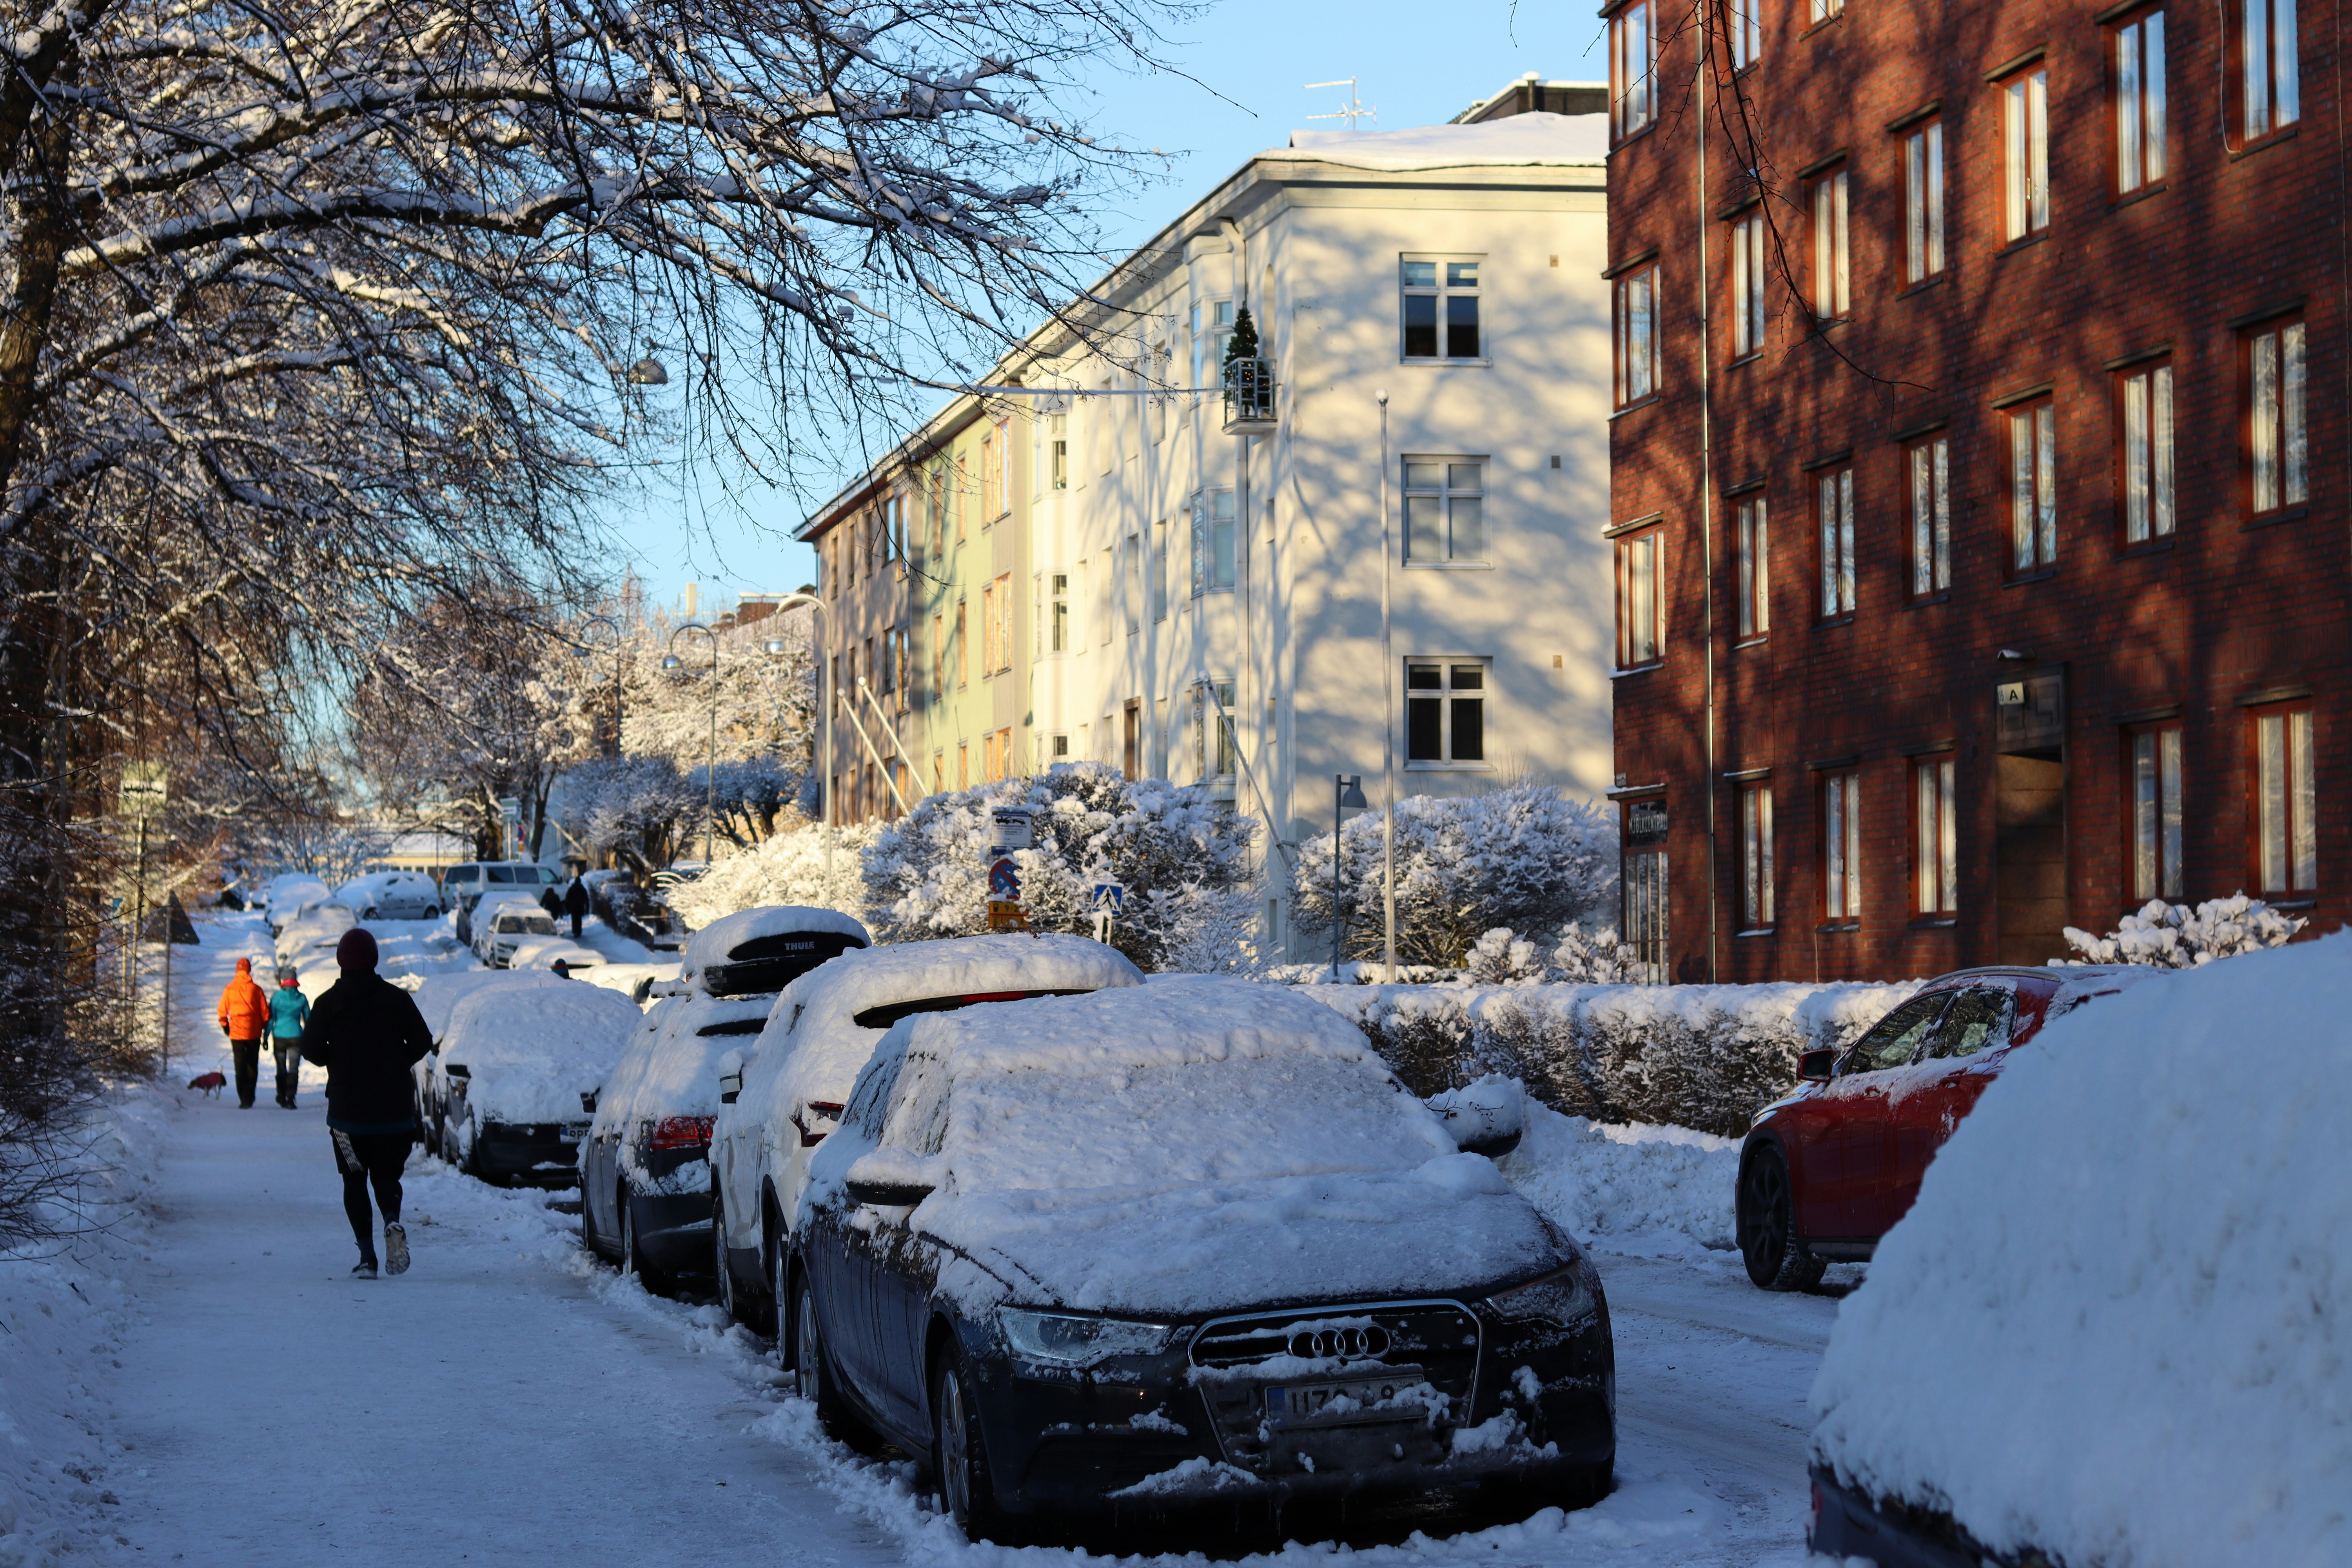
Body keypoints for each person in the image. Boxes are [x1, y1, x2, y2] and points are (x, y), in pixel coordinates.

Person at [298, 928, 432, 1279]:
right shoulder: (397, 998)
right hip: (395, 1116)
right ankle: (392, 1220)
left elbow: (310, 1050)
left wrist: (339, 1061)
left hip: (348, 1118)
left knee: (354, 1181)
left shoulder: (328, 1003)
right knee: (387, 1177)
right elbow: (423, 1040)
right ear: (374, 959)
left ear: (341, 960)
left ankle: (368, 1258)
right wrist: (396, 1062)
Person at [215, 958, 269, 1109]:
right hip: (254, 1032)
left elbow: (222, 1010)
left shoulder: (230, 989)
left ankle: (243, 1097)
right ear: (249, 970)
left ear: (237, 970)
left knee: (240, 1065)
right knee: (252, 1064)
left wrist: (226, 1026)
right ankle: (250, 1096)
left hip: (237, 1032)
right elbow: (265, 1012)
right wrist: (263, 1027)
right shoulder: (257, 990)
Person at [266, 971, 310, 1108]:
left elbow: (271, 1019)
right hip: (296, 1037)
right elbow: (308, 1019)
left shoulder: (276, 998)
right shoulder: (302, 998)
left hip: (279, 1037)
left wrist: (265, 1036)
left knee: (281, 1068)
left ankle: (281, 1096)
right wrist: (310, 1037)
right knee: (294, 1069)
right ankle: (291, 1098)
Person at [561, 875, 589, 940]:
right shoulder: (583, 889)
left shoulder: (572, 889)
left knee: (574, 919)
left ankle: (575, 931)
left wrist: (568, 907)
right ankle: (579, 932)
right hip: (580, 907)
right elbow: (586, 900)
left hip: (573, 907)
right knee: (579, 920)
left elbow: (567, 898)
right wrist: (587, 908)